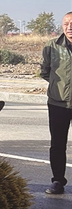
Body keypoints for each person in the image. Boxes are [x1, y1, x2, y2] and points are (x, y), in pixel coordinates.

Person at [39, 11, 72, 195]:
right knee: (58, 144)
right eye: (66, 24)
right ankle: (58, 180)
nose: (69, 27)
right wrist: (58, 87)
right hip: (58, 103)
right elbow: (45, 71)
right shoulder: (52, 46)